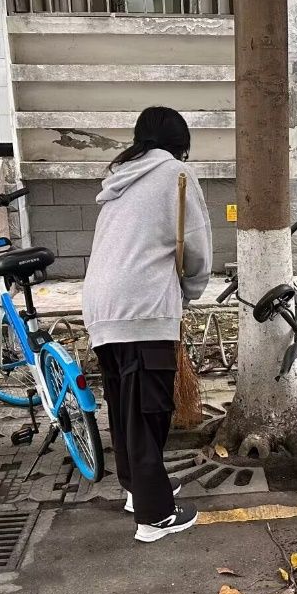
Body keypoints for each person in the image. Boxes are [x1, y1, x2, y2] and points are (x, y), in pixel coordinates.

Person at [82, 107, 212, 543]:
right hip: (143, 305)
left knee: (125, 408)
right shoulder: (176, 174)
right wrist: (190, 291)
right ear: (181, 142)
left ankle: (138, 491)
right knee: (149, 412)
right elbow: (196, 244)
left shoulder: (119, 180)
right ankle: (155, 518)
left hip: (101, 306)